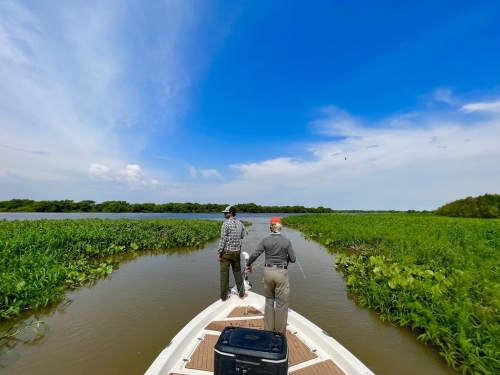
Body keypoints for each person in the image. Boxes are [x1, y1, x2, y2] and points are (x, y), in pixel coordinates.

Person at [245, 217, 296, 333]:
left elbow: (255, 254)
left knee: (269, 301)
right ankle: (279, 333)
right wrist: (286, 256)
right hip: (281, 273)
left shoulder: (265, 240)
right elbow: (293, 259)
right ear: (280, 227)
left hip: (268, 273)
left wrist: (248, 264)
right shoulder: (286, 241)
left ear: (270, 227)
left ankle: (268, 330)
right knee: (281, 304)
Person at [217, 205, 247, 301]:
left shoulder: (225, 224)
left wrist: (219, 252)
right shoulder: (240, 224)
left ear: (231, 213)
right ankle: (241, 294)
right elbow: (242, 236)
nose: (224, 214)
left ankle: (223, 297)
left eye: (226, 213)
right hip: (236, 252)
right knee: (237, 272)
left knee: (224, 273)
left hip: (226, 252)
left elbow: (223, 239)